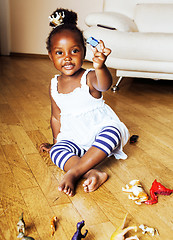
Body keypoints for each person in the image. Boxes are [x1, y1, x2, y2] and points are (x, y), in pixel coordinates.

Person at [40, 8, 129, 197]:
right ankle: (92, 172)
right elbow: (56, 118)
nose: (67, 57)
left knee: (113, 133)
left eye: (74, 51)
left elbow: (105, 85)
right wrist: (57, 143)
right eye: (59, 52)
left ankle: (74, 172)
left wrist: (100, 66)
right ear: (50, 56)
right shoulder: (54, 84)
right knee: (55, 153)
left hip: (98, 131)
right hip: (74, 137)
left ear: (84, 52)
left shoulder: (89, 77)